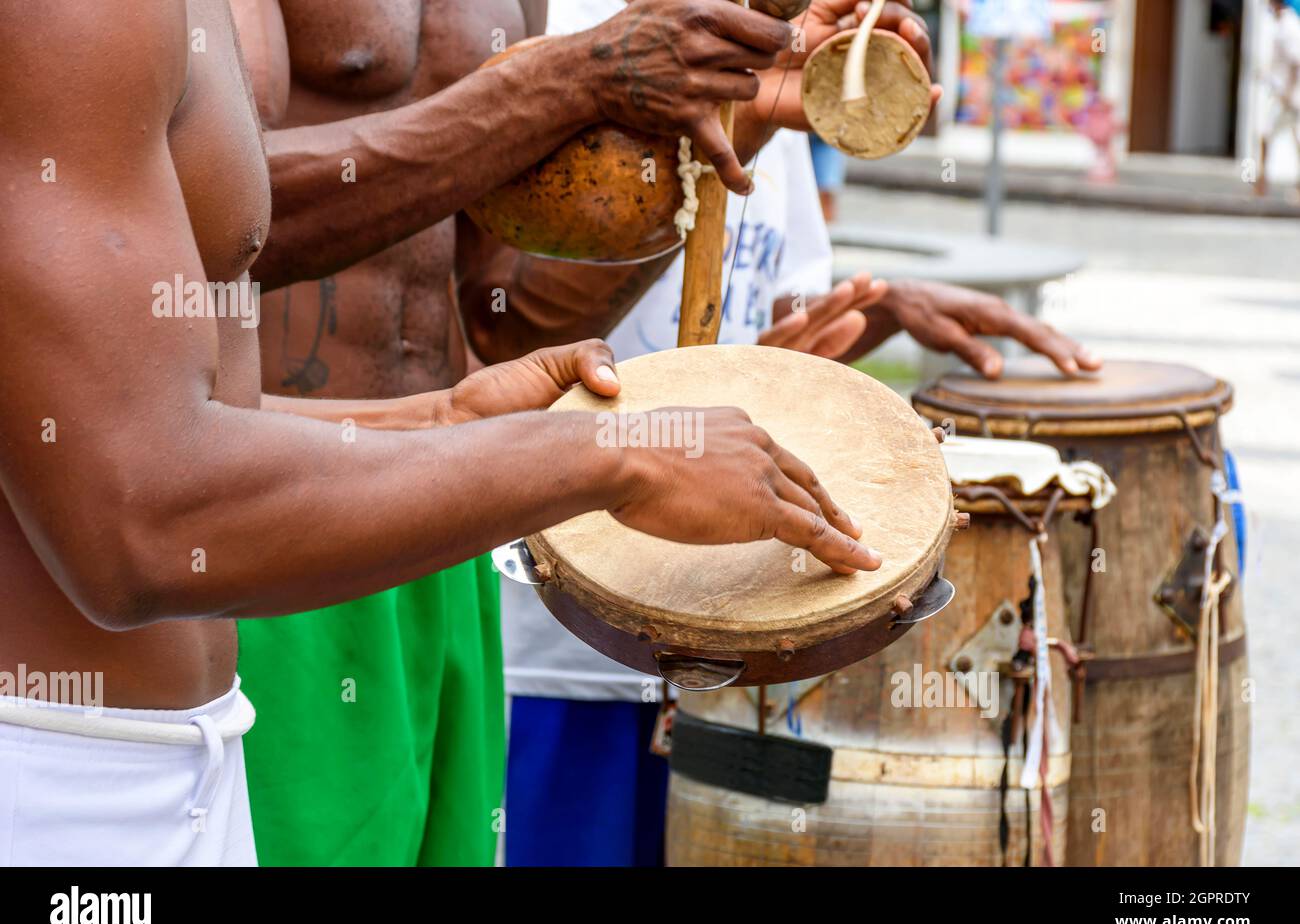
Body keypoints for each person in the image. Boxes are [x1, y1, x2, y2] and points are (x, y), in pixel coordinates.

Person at [0, 0, 879, 867]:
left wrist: (439, 420)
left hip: (378, 551)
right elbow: (139, 513)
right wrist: (560, 81)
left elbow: (508, 313)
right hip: (134, 689)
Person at [499, 0, 1101, 868]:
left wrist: (879, 313)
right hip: (566, 647)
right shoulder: (583, 29)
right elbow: (509, 327)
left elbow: (784, 324)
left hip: (737, 634)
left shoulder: (776, 86)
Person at [1257, 0, 1300, 198]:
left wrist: (1288, 93)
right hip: (1281, 92)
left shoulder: (1289, 24)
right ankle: (1261, 183)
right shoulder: (1276, 22)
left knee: (1269, 133)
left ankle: (1261, 184)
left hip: (1288, 96)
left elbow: (1295, 62)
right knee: (1272, 134)